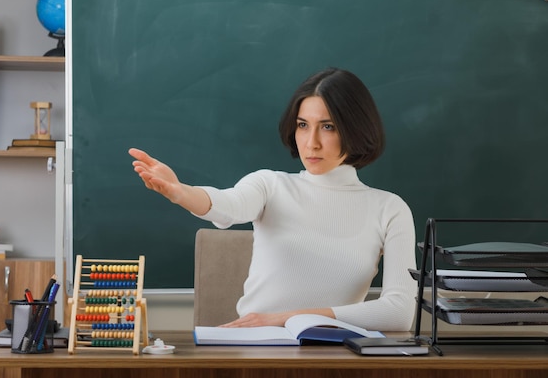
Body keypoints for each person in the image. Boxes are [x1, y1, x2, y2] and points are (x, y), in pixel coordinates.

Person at [129, 67, 416, 331]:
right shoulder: (270, 185)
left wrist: (288, 318)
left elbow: (400, 312)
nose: (311, 142)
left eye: (327, 127)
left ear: (355, 129)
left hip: (333, 354)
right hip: (256, 350)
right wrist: (181, 191)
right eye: (303, 125)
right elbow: (228, 205)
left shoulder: (389, 209)